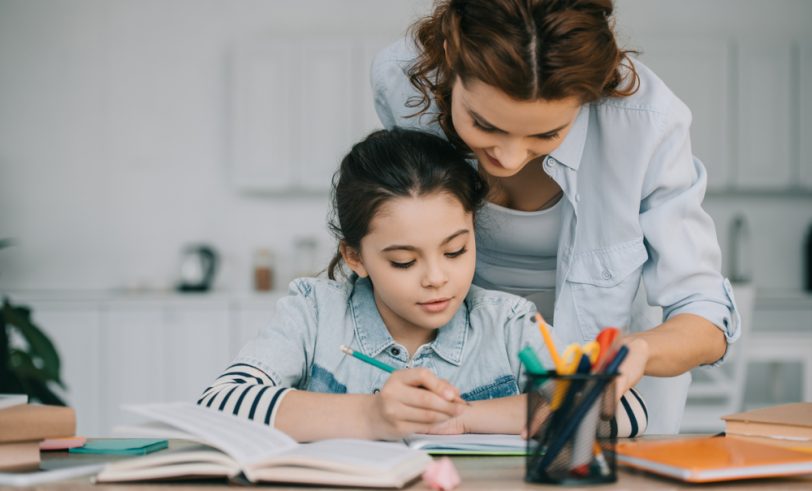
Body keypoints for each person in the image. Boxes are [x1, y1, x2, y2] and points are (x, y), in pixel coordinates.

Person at [371, 0, 740, 433]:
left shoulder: (647, 126)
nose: (508, 158)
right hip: (457, 392)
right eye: (484, 124)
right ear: (451, 58)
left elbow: (706, 314)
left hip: (610, 411)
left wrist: (637, 350)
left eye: (546, 133)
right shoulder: (401, 82)